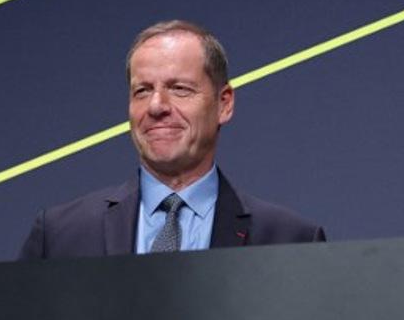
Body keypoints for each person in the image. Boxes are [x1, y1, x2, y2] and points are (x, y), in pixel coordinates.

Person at [20, 20, 324, 258]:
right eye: (142, 91)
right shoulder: (60, 236)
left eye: (179, 88)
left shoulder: (289, 241)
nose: (156, 107)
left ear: (224, 103)